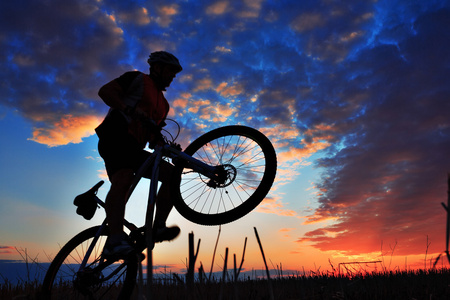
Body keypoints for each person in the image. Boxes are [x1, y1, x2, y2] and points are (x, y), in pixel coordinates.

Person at [95, 51, 183, 256]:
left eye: (174, 74)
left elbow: (154, 138)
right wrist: (127, 109)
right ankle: (114, 241)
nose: (172, 76)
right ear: (157, 68)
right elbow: (106, 92)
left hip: (135, 148)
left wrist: (166, 146)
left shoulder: (164, 105)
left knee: (172, 174)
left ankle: (158, 226)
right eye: (170, 71)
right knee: (123, 178)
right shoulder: (137, 79)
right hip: (115, 136)